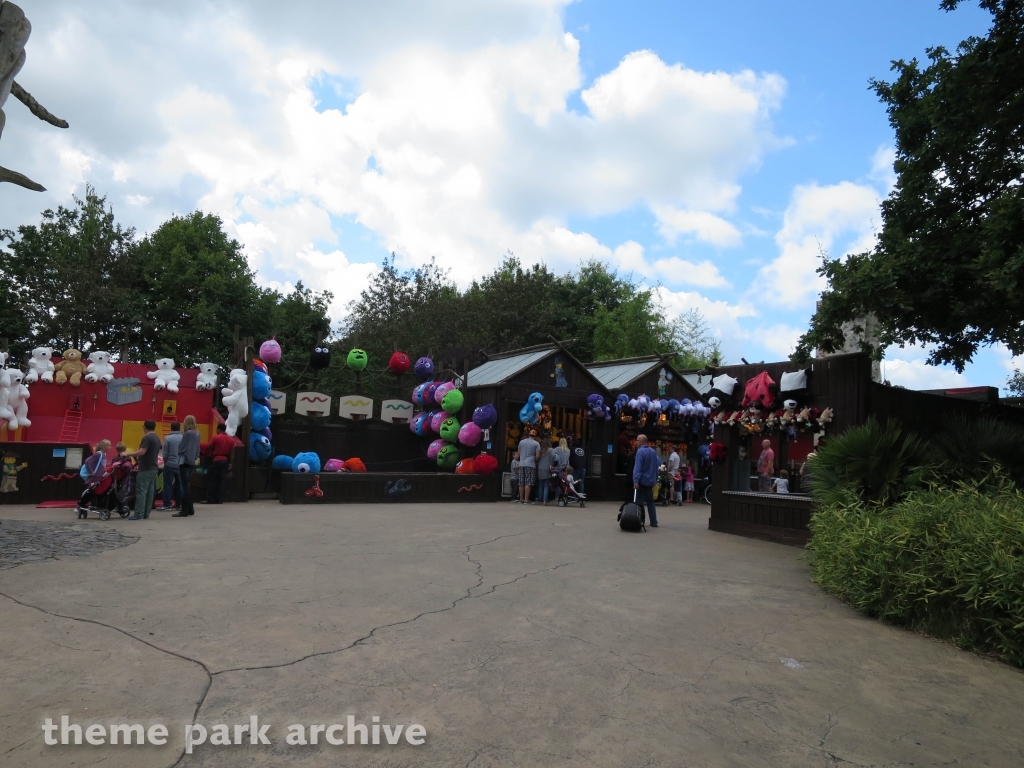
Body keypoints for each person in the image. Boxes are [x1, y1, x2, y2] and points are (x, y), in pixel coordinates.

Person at [126, 421, 160, 520]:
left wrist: (128, 454)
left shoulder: (147, 438)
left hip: (145, 468)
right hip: (153, 467)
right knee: (149, 492)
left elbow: (142, 452)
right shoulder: (156, 438)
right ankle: (146, 513)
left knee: (141, 491)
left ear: (144, 427)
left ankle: (138, 514)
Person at [200, 423, 236, 504]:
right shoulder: (231, 440)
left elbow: (209, 447)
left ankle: (210, 499)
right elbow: (232, 452)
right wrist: (230, 463)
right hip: (225, 461)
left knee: (211, 479)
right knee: (221, 480)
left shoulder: (216, 437)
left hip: (216, 460)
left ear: (218, 429)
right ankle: (219, 499)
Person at [174, 415, 201, 517]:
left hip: (184, 461)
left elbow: (182, 448)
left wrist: (178, 450)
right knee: (187, 485)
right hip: (192, 461)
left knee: (184, 487)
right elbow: (198, 448)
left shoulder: (187, 433)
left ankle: (184, 510)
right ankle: (190, 508)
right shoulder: (197, 433)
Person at [632, 434, 660, 527]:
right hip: (650, 480)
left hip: (642, 480)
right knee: (650, 501)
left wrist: (636, 481)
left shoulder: (640, 452)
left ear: (642, 441)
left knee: (639, 501)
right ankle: (654, 521)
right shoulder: (653, 452)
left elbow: (638, 468)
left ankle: (638, 519)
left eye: (637, 440)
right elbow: (656, 467)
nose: (636, 442)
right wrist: (655, 479)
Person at [161, 422, 183, 511]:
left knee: (167, 484)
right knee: (180, 484)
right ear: (179, 428)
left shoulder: (168, 438)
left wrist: (166, 462)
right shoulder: (183, 438)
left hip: (170, 463)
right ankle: (179, 504)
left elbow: (165, 453)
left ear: (171, 428)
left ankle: (167, 504)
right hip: (181, 464)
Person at [517, 430, 540, 504]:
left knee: (521, 482)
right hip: (530, 464)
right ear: (535, 435)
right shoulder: (536, 444)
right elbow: (537, 456)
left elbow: (519, 453)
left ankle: (521, 499)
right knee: (528, 482)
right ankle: (526, 500)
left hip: (522, 463)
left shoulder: (522, 442)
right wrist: (535, 460)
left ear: (529, 435)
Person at [537, 439, 555, 506]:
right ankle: (545, 500)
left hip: (540, 468)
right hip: (547, 467)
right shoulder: (551, 450)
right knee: (546, 485)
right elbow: (554, 458)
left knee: (540, 485)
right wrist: (552, 464)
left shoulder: (540, 450)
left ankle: (540, 500)